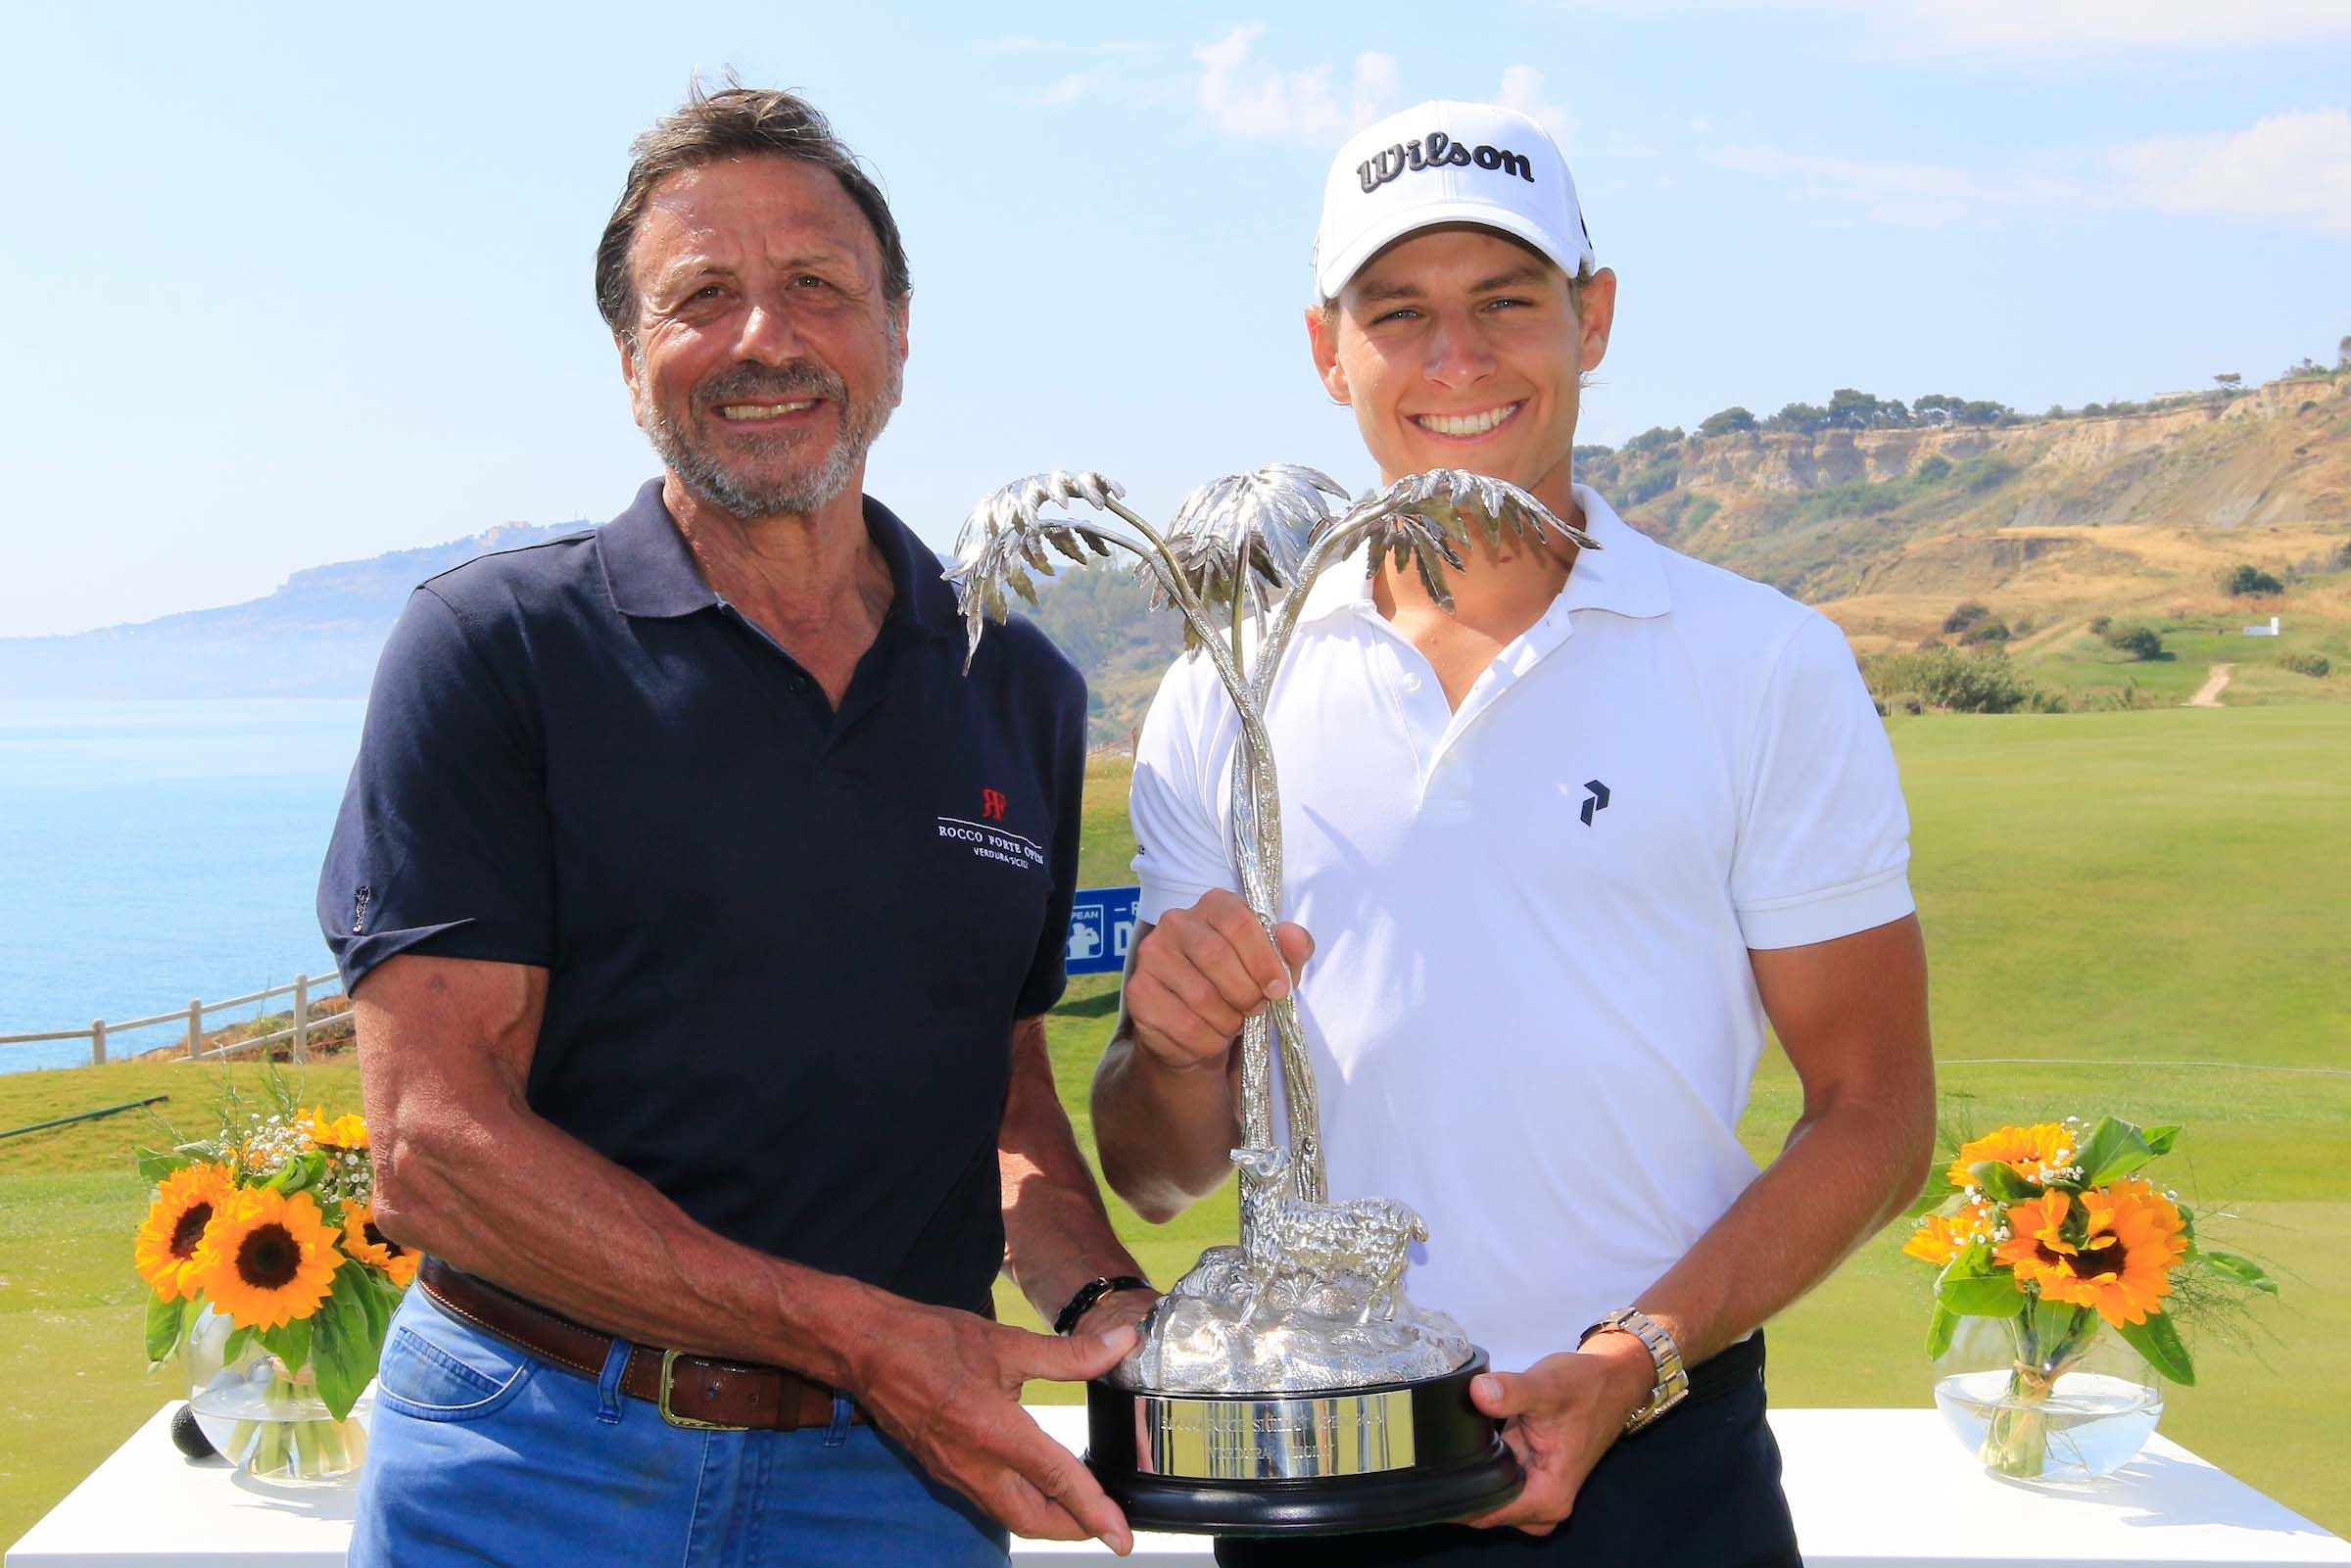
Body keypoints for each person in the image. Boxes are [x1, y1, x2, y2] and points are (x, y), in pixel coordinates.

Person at [318, 85, 1155, 1567]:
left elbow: (1005, 1090)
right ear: (632, 361)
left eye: (817, 286)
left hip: (899, 1486)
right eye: (702, 296)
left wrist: (1107, 1306)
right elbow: (432, 1147)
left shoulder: (1013, 681)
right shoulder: (497, 646)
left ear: (898, 332)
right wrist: (857, 1334)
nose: (765, 336)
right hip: (537, 1458)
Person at [1091, 100, 1935, 1566]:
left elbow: (1874, 1110)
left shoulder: (1759, 658)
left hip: (1663, 1453)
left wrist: (1631, 1357)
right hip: (1318, 1470)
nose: (1457, 362)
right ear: (1325, 348)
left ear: (1592, 317)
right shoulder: (1218, 697)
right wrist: (1170, 1049)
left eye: (1507, 303)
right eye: (1398, 312)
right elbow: (1159, 1173)